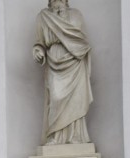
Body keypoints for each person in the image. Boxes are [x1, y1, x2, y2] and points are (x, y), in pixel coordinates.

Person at [32, 0, 93, 145]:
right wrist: (38, 51)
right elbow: (39, 42)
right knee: (56, 96)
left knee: (76, 99)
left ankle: (75, 136)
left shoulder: (76, 15)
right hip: (54, 59)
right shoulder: (43, 17)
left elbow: (81, 39)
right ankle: (55, 136)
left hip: (74, 60)